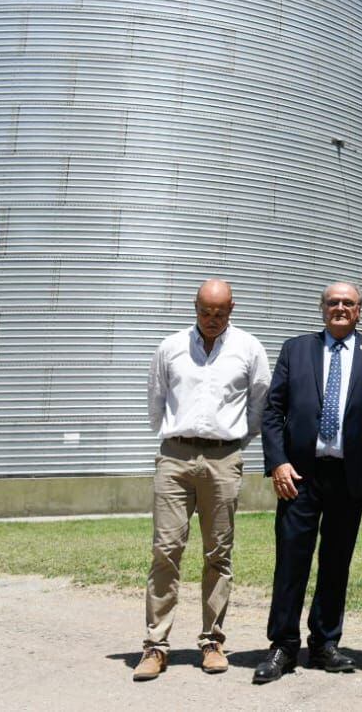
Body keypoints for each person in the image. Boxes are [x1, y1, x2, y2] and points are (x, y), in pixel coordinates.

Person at [253, 282, 362, 684]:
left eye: (348, 303)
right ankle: (282, 645)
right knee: (291, 562)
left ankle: (324, 643)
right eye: (333, 303)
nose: (340, 308)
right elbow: (273, 411)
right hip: (299, 476)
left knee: (336, 563)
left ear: (359, 310)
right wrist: (277, 463)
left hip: (350, 477)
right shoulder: (296, 349)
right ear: (322, 308)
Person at [135, 278, 270, 681]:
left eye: (220, 313)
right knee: (166, 550)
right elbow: (155, 398)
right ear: (194, 307)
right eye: (205, 312)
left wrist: (232, 441)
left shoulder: (248, 348)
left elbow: (260, 400)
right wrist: (175, 435)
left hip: (223, 458)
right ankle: (156, 646)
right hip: (175, 457)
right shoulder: (170, 347)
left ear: (232, 309)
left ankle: (212, 641)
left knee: (219, 553)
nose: (212, 320)